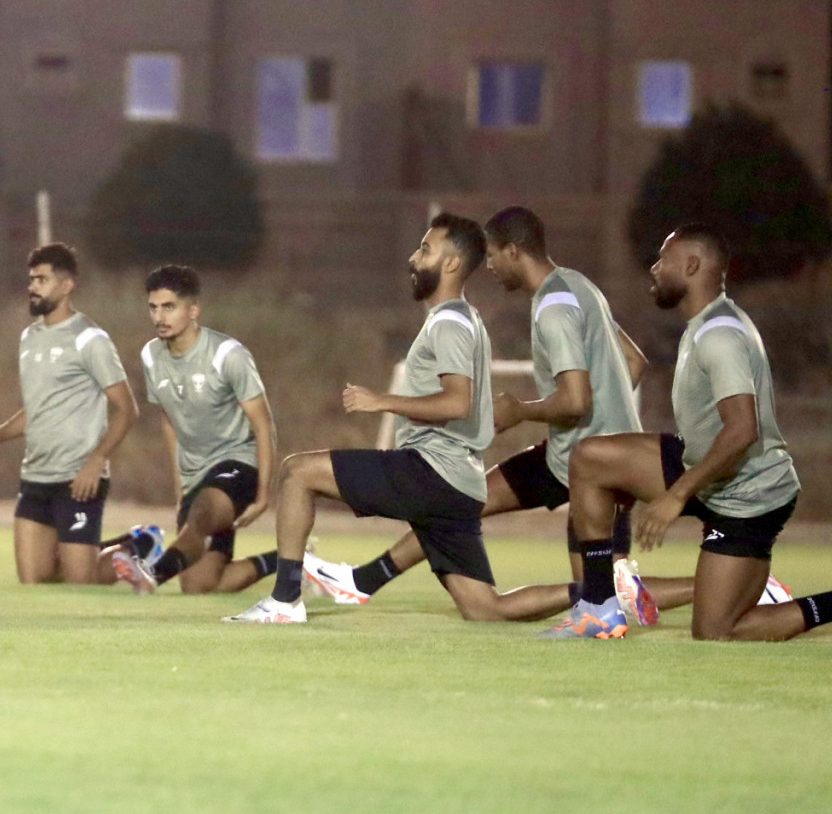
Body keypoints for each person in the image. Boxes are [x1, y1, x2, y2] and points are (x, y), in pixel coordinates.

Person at [304, 205, 695, 627]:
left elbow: (576, 400)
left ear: (513, 251)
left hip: (594, 465)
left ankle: (728, 586)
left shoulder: (553, 308)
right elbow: (633, 362)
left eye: (491, 255)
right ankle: (365, 579)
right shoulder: (579, 286)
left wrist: (519, 410)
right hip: (577, 455)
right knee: (466, 503)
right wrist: (602, 421)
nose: (487, 266)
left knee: (600, 590)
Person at [564, 223, 832, 644]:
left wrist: (675, 496)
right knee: (591, 460)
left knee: (716, 631)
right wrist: (632, 480)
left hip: (749, 495)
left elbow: (742, 431)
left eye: (663, 258)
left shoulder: (720, 335)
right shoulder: (706, 323)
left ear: (691, 266)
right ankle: (599, 607)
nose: (654, 268)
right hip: (708, 469)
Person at [224, 212, 578, 624]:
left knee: (297, 472)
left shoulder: (449, 324)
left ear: (451, 263)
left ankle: (285, 602)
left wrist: (382, 401)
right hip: (459, 484)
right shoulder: (463, 318)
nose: (414, 257)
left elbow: (457, 403)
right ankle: (599, 590)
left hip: (432, 471)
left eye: (425, 249)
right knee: (486, 609)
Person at [0, 243, 138, 584]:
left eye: (42, 280)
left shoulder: (89, 339)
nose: (33, 287)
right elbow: (36, 410)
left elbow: (126, 409)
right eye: (31, 279)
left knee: (80, 583)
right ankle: (115, 549)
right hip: (35, 476)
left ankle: (140, 546)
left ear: (67, 285)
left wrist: (96, 461)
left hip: (78, 478)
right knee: (35, 581)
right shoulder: (29, 338)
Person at [112, 265, 279, 594]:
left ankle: (153, 574)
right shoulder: (151, 356)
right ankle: (294, 562)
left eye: (169, 307)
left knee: (202, 513)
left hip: (237, 464)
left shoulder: (227, 355)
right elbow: (169, 420)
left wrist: (263, 495)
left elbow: (263, 424)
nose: (159, 316)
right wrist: (181, 489)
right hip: (195, 474)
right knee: (200, 585)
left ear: (193, 310)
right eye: (153, 307)